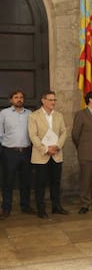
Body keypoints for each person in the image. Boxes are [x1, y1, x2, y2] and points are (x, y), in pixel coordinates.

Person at [28, 91, 68, 219]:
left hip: (56, 154)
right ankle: (41, 209)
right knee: (40, 184)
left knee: (55, 182)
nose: (53, 102)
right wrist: (45, 149)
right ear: (43, 101)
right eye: (51, 100)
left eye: (54, 100)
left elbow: (64, 133)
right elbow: (33, 135)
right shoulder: (34, 116)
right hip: (41, 156)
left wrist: (57, 147)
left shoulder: (59, 116)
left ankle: (56, 206)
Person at [0, 89, 36, 219]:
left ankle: (25, 206)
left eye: (21, 97)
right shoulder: (4, 113)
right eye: (16, 97)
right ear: (11, 100)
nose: (19, 99)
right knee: (8, 181)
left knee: (26, 181)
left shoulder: (30, 114)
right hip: (10, 152)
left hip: (26, 151)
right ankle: (6, 208)